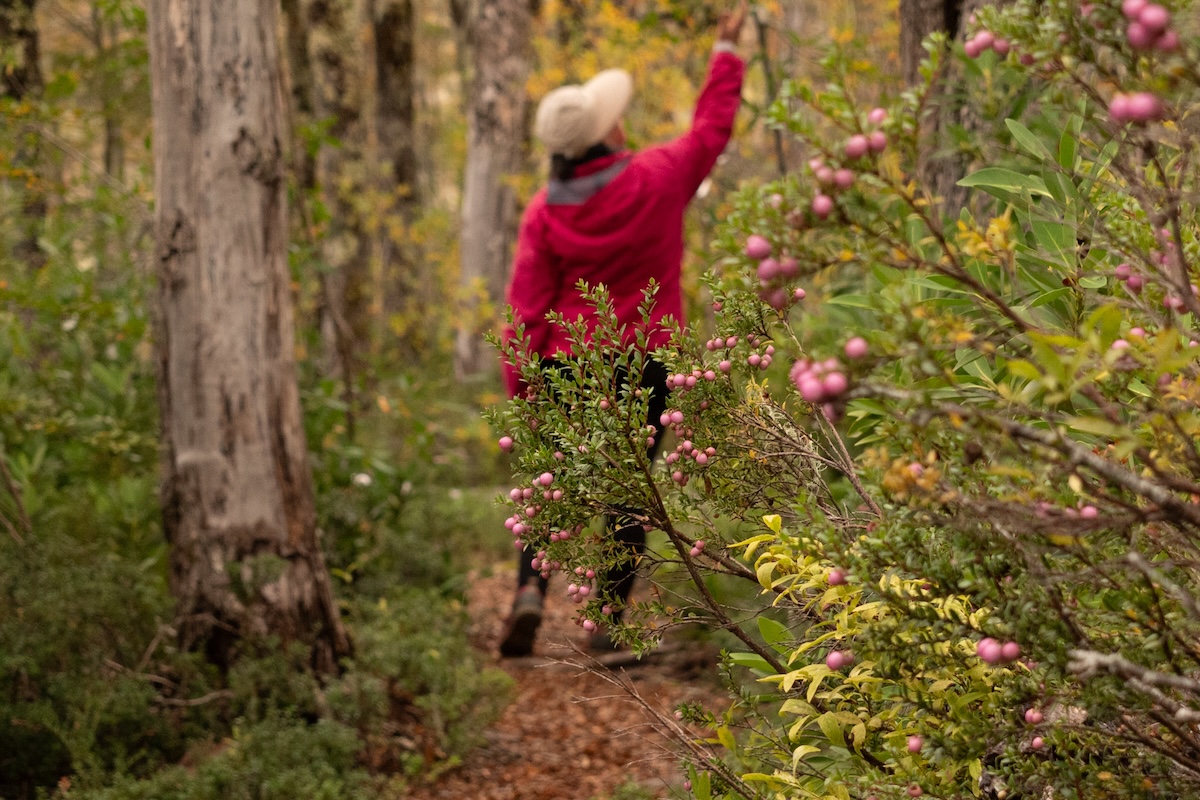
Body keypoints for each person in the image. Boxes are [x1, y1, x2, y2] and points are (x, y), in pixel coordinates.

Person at [498, 5, 748, 657]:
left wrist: (523, 390)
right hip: (643, 363)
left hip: (565, 364)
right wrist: (725, 55)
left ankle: (528, 592)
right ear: (609, 132)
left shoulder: (543, 212)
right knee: (628, 493)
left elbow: (526, 311)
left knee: (552, 478)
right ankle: (607, 625)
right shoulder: (658, 178)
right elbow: (711, 131)